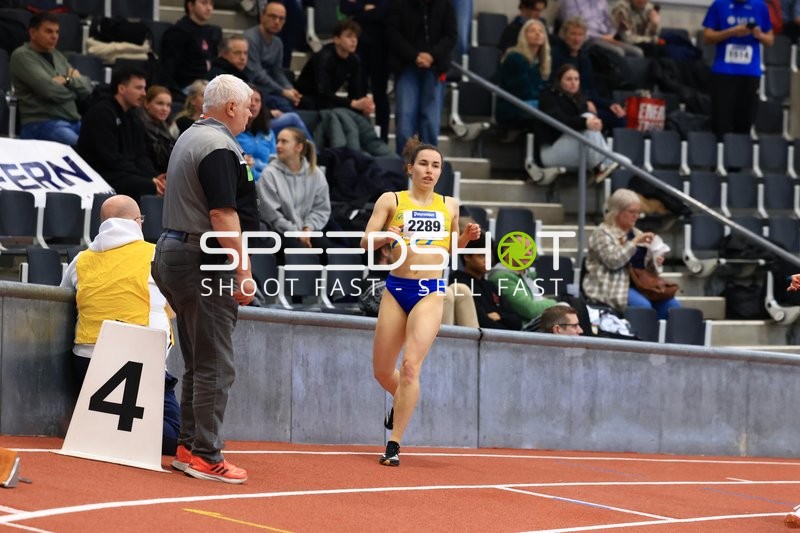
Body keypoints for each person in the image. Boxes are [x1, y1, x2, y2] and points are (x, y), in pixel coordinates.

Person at [151, 74, 257, 484]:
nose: (250, 112)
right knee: (215, 362)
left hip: (174, 250)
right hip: (202, 256)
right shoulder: (217, 145)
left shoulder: (190, 137)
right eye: (247, 105)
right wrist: (243, 271)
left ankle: (188, 446)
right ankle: (206, 456)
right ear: (231, 107)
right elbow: (222, 215)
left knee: (199, 357)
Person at [360, 137, 481, 466]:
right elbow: (364, 241)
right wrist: (387, 235)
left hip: (431, 291)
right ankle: (401, 400)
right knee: (384, 372)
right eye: (424, 164)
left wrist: (466, 239)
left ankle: (393, 444)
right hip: (396, 288)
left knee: (411, 367)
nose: (430, 170)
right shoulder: (391, 200)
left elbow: (449, 249)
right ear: (410, 168)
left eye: (436, 165)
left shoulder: (450, 205)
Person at [60, 195, 180, 456]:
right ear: (138, 221)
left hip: (87, 364)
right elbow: (180, 302)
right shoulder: (155, 254)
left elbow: (61, 302)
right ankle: (103, 427)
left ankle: (97, 421)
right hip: (138, 364)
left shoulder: (80, 261)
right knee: (176, 437)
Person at [582, 188, 680, 320]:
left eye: (638, 212)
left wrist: (655, 262)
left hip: (641, 287)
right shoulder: (602, 233)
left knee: (673, 307)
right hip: (613, 287)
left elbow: (644, 270)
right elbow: (613, 261)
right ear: (617, 212)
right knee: (642, 307)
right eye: (631, 212)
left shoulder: (637, 233)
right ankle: (641, 339)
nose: (636, 216)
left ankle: (662, 339)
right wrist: (633, 243)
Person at [77, 65, 166, 204]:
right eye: (138, 88)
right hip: (98, 174)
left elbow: (141, 156)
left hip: (123, 172)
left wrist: (154, 176)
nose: (144, 93)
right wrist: (148, 180)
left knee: (162, 184)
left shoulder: (135, 117)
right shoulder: (101, 113)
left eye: (144, 88)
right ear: (122, 89)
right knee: (148, 186)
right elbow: (110, 159)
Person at [9, 12, 92, 146]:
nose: (54, 36)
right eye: (48, 31)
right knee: (84, 150)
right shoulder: (22, 56)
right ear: (33, 33)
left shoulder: (58, 56)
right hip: (41, 124)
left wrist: (67, 80)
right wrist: (74, 90)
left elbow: (87, 88)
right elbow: (49, 91)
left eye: (57, 32)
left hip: (74, 121)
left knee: (104, 147)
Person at [386, 0, 457, 156]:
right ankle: (404, 168)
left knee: (430, 121)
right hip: (406, 66)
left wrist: (432, 56)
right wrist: (415, 56)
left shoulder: (445, 5)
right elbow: (393, 34)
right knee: (405, 118)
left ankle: (428, 167)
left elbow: (451, 35)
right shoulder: (399, 4)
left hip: (434, 67)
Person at [535, 64, 621, 182]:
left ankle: (603, 164)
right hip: (550, 151)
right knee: (588, 117)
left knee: (626, 162)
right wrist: (586, 122)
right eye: (569, 79)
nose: (573, 83)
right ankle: (600, 167)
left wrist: (595, 124)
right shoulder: (548, 95)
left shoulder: (580, 99)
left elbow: (586, 127)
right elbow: (559, 121)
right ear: (559, 81)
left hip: (575, 149)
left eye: (576, 79)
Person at [256, 127, 336, 253]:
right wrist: (297, 233)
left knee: (332, 254)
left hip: (308, 231)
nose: (278, 145)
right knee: (303, 256)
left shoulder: (315, 174)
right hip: (279, 233)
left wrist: (308, 229)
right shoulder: (269, 174)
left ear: (299, 147)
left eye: (284, 141)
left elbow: (321, 209)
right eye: (278, 141)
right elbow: (271, 215)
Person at [360, 243, 480, 327]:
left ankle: (475, 354)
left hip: (418, 323)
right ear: (386, 251)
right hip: (401, 335)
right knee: (443, 293)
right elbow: (402, 308)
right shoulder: (371, 282)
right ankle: (439, 352)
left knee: (460, 289)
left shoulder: (408, 276)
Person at [703, 0, 773, 138]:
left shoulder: (760, 6)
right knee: (721, 125)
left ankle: (739, 157)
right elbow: (707, 37)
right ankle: (719, 156)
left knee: (744, 124)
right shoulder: (719, 4)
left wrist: (760, 35)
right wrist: (731, 32)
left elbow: (770, 40)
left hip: (750, 72)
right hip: (724, 72)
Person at [551, 16, 627, 131]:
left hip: (585, 102)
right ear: (564, 36)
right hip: (565, 105)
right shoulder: (556, 55)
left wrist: (611, 105)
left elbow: (592, 92)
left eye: (580, 35)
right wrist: (584, 103)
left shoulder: (584, 57)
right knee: (591, 117)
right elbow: (555, 88)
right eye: (573, 34)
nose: (577, 39)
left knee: (619, 117)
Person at [294, 19, 374, 116]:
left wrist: (363, 106)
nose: (354, 40)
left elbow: (355, 91)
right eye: (349, 36)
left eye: (355, 37)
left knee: (360, 114)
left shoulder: (354, 60)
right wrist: (352, 103)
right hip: (305, 99)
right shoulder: (324, 57)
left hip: (327, 101)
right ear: (336, 39)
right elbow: (322, 92)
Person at [338, 0, 391, 142]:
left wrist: (360, 12)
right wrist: (365, 8)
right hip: (358, 45)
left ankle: (383, 138)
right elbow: (344, 6)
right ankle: (356, 135)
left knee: (380, 94)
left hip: (381, 46)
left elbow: (385, 11)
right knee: (356, 91)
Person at [451, 237, 524, 331]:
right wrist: (506, 327)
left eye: (489, 256)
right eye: (482, 256)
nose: (487, 260)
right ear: (467, 257)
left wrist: (500, 316)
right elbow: (482, 322)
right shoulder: (458, 282)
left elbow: (517, 321)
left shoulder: (491, 286)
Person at [244, 1, 302, 112]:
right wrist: (283, 91)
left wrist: (290, 88)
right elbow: (257, 73)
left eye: (281, 19)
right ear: (262, 16)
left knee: (296, 101)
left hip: (270, 89)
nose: (277, 22)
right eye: (273, 17)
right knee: (285, 106)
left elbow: (277, 71)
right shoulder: (250, 38)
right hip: (252, 88)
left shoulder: (278, 42)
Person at [495, 19, 551, 128]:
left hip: (531, 104)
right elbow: (525, 93)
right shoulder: (514, 58)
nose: (537, 33)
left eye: (541, 31)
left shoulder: (539, 61)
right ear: (523, 36)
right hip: (512, 108)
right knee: (551, 109)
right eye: (532, 31)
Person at [161, 0, 222, 98]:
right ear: (190, 5)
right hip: (187, 88)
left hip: (208, 85)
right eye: (204, 3)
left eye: (211, 4)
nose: (209, 8)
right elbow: (168, 69)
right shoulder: (178, 32)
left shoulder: (211, 32)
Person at [487, 258, 558, 328]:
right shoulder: (502, 276)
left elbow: (537, 299)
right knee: (562, 312)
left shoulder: (525, 273)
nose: (528, 253)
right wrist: (555, 303)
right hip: (523, 328)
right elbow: (531, 310)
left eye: (530, 250)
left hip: (534, 321)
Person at [558, 0, 644, 57]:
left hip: (607, 37)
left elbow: (609, 22)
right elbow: (571, 26)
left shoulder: (601, 1)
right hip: (588, 38)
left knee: (637, 52)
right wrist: (600, 37)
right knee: (618, 52)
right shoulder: (570, 2)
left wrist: (611, 33)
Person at [140, 85, 178, 175]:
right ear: (147, 104)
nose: (165, 109)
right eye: (160, 103)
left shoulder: (166, 128)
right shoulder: (139, 127)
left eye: (168, 105)